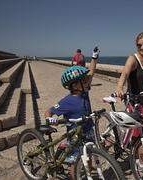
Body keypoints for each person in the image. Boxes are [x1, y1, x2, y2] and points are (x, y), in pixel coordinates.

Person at [44, 47, 99, 179]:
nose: (87, 81)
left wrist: (94, 58)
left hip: (88, 130)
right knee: (74, 160)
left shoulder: (84, 92)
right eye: (84, 80)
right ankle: (73, 175)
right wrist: (50, 120)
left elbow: (91, 72)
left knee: (89, 153)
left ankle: (88, 171)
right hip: (75, 135)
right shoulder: (66, 101)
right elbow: (49, 111)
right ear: (74, 85)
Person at [116, 32, 143, 172]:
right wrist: (119, 88)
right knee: (140, 134)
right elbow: (125, 74)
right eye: (139, 45)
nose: (142, 47)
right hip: (133, 103)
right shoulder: (133, 59)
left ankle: (140, 159)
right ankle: (140, 162)